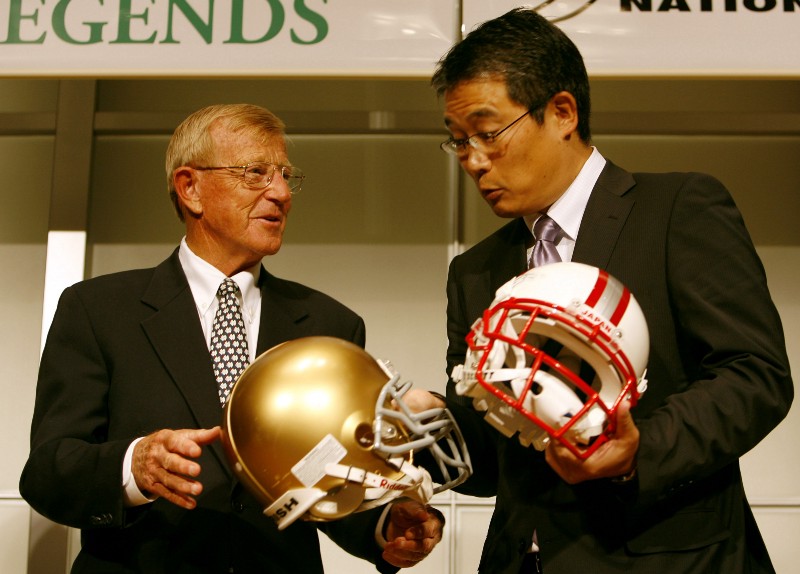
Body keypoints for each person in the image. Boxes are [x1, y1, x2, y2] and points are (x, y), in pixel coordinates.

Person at [413, 8, 793, 574]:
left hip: (671, 560)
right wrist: (426, 423)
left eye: (488, 133)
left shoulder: (678, 210)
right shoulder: (475, 271)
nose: (473, 160)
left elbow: (755, 376)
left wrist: (638, 451)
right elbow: (494, 461)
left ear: (562, 113)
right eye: (458, 141)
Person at [19, 103, 444, 573]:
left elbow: (327, 483)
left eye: (285, 175)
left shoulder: (329, 325)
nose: (281, 193)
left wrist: (384, 525)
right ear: (190, 188)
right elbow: (48, 472)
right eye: (255, 173)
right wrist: (133, 465)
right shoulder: (98, 311)